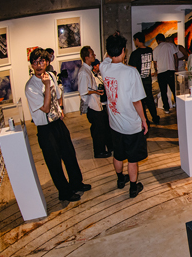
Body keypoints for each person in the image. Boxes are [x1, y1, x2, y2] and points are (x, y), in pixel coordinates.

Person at [25, 48, 89, 202]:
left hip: (57, 123)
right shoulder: (31, 86)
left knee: (69, 154)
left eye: (42, 61)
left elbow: (58, 96)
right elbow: (45, 108)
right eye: (35, 62)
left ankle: (76, 183)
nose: (39, 65)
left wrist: (60, 109)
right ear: (31, 65)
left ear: (47, 62)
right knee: (54, 162)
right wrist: (47, 85)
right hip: (45, 128)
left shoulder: (52, 76)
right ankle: (64, 192)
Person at [100, 33, 149, 199]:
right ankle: (133, 188)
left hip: (114, 123)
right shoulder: (131, 72)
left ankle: (120, 179)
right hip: (131, 125)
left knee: (118, 154)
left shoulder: (104, 68)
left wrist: (111, 46)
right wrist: (143, 120)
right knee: (132, 159)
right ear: (123, 50)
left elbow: (107, 58)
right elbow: (137, 101)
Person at [78, 45, 112, 158]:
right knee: (98, 130)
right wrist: (96, 92)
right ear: (87, 57)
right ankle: (99, 151)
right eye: (92, 54)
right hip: (92, 106)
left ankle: (107, 147)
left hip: (96, 104)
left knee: (102, 127)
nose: (94, 55)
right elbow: (83, 91)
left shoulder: (87, 70)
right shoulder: (84, 72)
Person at [128, 31, 160, 125]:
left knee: (141, 102)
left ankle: (145, 120)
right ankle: (155, 117)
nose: (135, 42)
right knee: (150, 100)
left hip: (139, 81)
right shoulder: (150, 50)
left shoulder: (135, 53)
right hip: (147, 80)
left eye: (135, 40)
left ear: (137, 40)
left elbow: (132, 68)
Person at [153, 33, 182, 113]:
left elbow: (155, 63)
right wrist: (176, 67)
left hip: (161, 72)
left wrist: (156, 70)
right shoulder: (170, 45)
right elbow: (175, 56)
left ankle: (166, 108)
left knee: (163, 91)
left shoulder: (155, 49)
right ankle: (178, 106)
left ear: (157, 41)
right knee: (174, 90)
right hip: (171, 70)